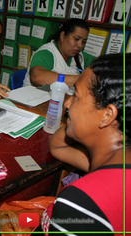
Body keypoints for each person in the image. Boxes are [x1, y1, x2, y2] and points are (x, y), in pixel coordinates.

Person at [40, 53, 131, 233]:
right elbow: (58, 146)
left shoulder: (81, 203)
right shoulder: (116, 163)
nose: (67, 104)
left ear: (107, 115)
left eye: (76, 96)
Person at [23, 18, 95, 88]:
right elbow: (36, 77)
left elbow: (102, 65)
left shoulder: (80, 56)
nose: (80, 45)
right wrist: (80, 79)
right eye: (76, 39)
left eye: (84, 42)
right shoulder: (46, 53)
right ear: (62, 36)